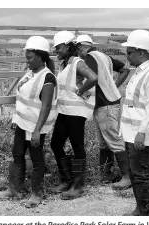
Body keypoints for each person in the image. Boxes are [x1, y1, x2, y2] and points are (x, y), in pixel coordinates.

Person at [0, 36, 58, 208]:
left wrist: (37, 130)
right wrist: (16, 119)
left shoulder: (48, 78)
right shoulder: (30, 73)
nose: (27, 61)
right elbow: (22, 99)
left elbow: (45, 107)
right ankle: (13, 189)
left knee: (36, 160)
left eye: (29, 58)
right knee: (17, 155)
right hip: (23, 124)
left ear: (40, 57)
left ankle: (37, 194)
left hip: (35, 127)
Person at [120, 29, 149, 216]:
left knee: (141, 174)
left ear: (141, 52)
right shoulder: (140, 72)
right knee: (136, 174)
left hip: (143, 135)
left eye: (129, 52)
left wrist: (142, 132)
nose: (127, 56)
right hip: (133, 133)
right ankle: (140, 210)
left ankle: (147, 213)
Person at [75, 34, 131, 189]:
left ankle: (127, 177)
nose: (78, 53)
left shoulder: (90, 58)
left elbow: (91, 79)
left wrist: (80, 90)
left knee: (113, 140)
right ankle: (107, 174)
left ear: (81, 46)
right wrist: (115, 86)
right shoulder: (103, 56)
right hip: (106, 102)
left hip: (105, 103)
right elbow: (125, 69)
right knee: (104, 142)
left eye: (77, 49)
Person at [50, 31, 98, 200]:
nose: (56, 50)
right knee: (55, 144)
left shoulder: (77, 62)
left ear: (69, 46)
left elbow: (93, 78)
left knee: (77, 147)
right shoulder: (65, 65)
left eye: (59, 47)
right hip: (64, 110)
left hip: (76, 112)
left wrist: (81, 90)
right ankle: (66, 180)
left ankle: (77, 186)